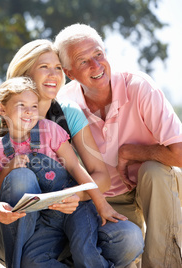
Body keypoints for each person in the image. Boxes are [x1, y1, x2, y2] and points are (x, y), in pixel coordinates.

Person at [0, 39, 144, 267]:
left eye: (58, 68)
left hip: (68, 215)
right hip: (21, 231)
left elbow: (98, 175)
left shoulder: (65, 115)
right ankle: (26, 260)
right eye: (44, 67)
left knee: (128, 238)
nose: (54, 75)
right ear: (25, 72)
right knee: (23, 177)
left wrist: (73, 196)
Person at [54, 23, 182, 267]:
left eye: (98, 55)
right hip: (106, 197)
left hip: (158, 186)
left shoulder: (139, 87)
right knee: (130, 248)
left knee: (154, 171)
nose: (96, 66)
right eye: (83, 61)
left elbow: (180, 154)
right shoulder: (64, 105)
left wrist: (132, 152)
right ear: (69, 73)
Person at [0, 76, 124, 267]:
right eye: (21, 105)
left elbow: (75, 168)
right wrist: (8, 168)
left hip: (74, 208)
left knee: (85, 252)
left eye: (34, 106)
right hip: (46, 222)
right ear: (3, 109)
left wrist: (100, 203)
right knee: (32, 261)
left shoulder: (49, 130)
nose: (29, 112)